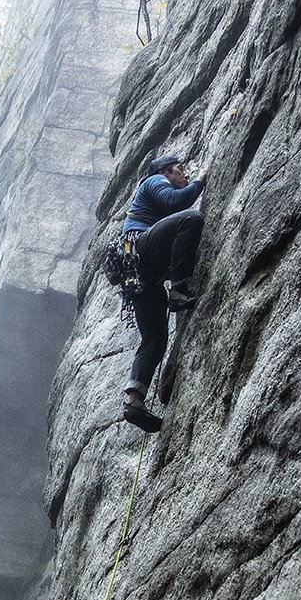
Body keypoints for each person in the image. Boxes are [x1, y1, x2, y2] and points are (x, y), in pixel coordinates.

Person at [120, 154, 205, 432]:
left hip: (140, 276)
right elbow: (175, 203)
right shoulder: (154, 181)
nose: (185, 174)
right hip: (142, 249)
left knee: (155, 339)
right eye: (181, 170)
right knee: (191, 218)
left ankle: (134, 401)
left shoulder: (155, 193)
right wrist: (201, 181)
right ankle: (178, 289)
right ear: (166, 171)